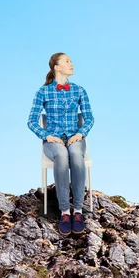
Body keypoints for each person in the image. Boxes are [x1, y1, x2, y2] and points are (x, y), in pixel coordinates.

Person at [27, 52, 95, 236]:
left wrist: (81, 133)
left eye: (71, 61)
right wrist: (46, 135)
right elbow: (32, 121)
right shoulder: (43, 92)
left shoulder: (79, 90)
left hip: (75, 137)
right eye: (67, 61)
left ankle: (78, 211)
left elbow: (89, 118)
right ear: (56, 67)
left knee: (75, 155)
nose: (71, 64)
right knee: (62, 155)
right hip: (53, 140)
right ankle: (65, 211)